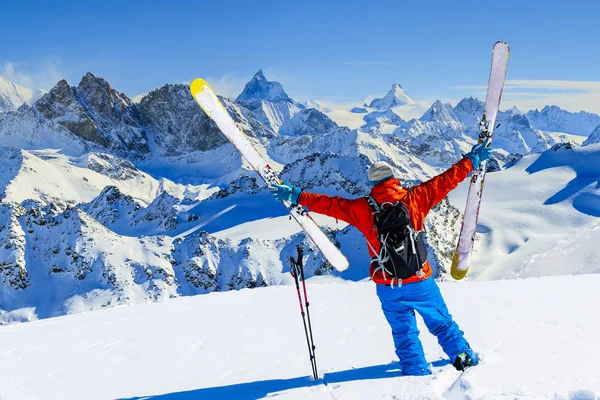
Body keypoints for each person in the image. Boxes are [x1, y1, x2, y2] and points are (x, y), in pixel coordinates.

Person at [271, 140, 493, 375]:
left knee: (403, 333)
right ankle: (463, 358)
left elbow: (329, 204)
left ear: (372, 183)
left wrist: (296, 195)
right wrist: (472, 160)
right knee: (441, 323)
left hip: (388, 285)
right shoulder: (416, 198)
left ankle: (416, 372)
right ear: (393, 179)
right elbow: (447, 180)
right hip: (420, 281)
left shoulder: (362, 209)